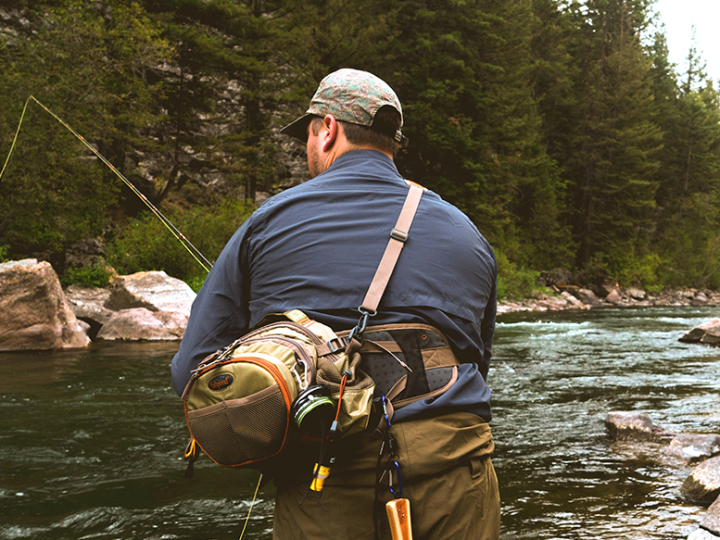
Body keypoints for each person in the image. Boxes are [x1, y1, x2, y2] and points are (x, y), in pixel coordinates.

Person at [171, 68, 500, 540]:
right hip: (455, 470)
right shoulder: (466, 233)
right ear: (391, 141)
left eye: (308, 132)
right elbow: (479, 361)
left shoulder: (269, 221)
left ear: (327, 129)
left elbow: (193, 372)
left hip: (324, 479)